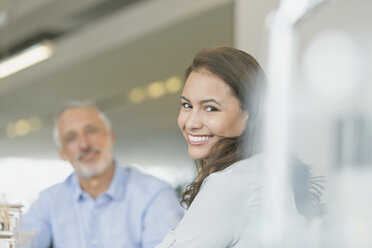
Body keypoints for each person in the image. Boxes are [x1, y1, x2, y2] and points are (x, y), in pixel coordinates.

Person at [155, 47, 323, 247]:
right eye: (187, 105)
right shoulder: (263, 171)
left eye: (210, 108)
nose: (191, 123)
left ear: (249, 116)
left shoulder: (230, 183)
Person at [22, 101, 183, 248]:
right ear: (62, 153)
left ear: (111, 136)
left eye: (91, 131)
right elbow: (21, 242)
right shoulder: (49, 201)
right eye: (71, 138)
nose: (84, 144)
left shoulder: (155, 195)